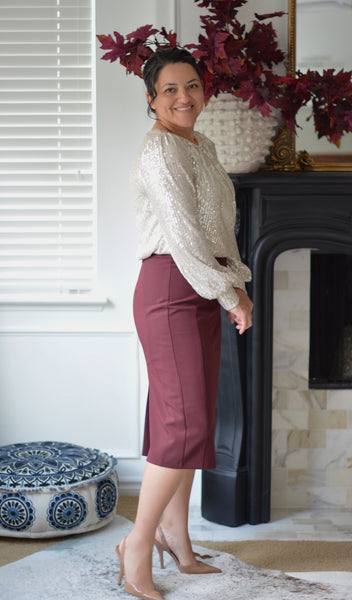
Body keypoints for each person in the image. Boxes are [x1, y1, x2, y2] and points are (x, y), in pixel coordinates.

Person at [116, 47, 253, 600]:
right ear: (151, 99)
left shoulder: (203, 146)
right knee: (183, 426)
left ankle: (176, 537)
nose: (183, 97)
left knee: (191, 421)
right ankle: (136, 546)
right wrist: (229, 292)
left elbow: (218, 228)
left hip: (200, 284)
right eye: (169, 89)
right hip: (171, 287)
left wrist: (234, 283)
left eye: (191, 85)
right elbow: (183, 235)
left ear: (204, 91)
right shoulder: (159, 150)